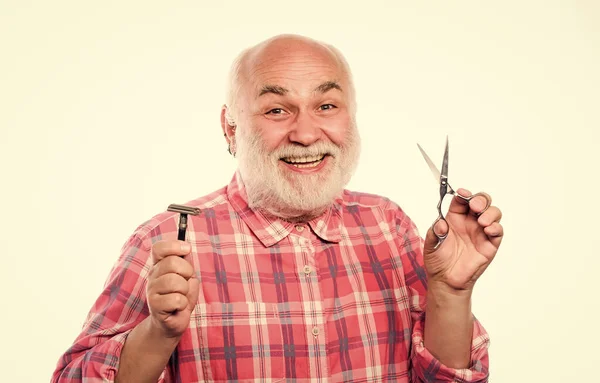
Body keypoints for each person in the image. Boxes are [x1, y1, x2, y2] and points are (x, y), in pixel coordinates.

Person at [51, 34, 503, 383]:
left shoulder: (390, 225)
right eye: (276, 110)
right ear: (230, 129)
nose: (306, 134)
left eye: (326, 105)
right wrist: (157, 334)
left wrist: (451, 294)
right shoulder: (167, 240)